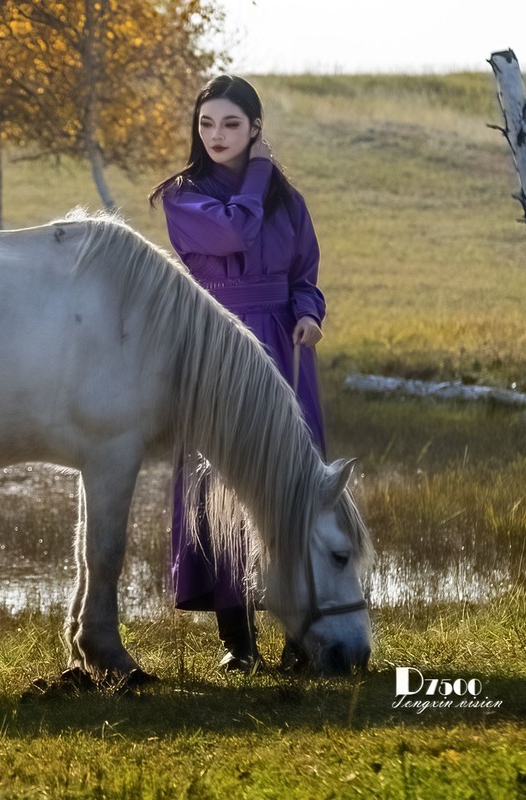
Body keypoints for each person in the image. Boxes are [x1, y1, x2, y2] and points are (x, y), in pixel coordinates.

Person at [149, 74, 328, 673]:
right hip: (215, 344)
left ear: (255, 127)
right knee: (216, 485)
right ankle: (238, 643)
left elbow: (305, 272)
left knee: (288, 487)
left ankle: (301, 637)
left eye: (231, 123)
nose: (217, 135)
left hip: (282, 346)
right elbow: (233, 228)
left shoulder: (288, 201)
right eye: (207, 124)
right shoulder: (182, 195)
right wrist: (257, 172)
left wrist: (308, 314)